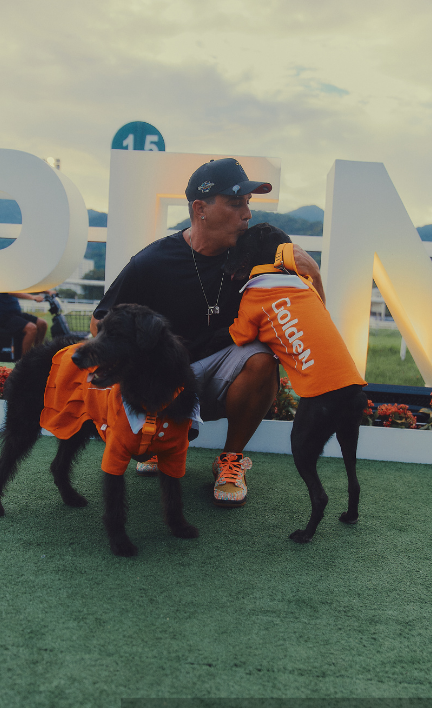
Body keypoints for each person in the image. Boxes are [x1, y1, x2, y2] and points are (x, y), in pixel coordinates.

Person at [90, 158, 323, 507]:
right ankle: (155, 438)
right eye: (235, 203)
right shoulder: (152, 261)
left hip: (220, 374)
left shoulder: (259, 254)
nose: (246, 214)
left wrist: (314, 275)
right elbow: (101, 323)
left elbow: (312, 324)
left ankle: (230, 459)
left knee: (261, 357)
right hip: (166, 380)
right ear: (200, 209)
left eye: (247, 203)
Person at [0, 291, 48, 357]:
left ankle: (37, 354)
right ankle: (24, 361)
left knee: (42, 324)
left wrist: (48, 291)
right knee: (31, 328)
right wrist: (33, 297)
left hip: (15, 314)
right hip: (1, 316)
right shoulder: (1, 281)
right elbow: (11, 292)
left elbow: (27, 284)